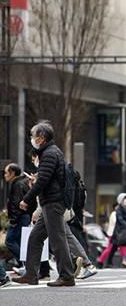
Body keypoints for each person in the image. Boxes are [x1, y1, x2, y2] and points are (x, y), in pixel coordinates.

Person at [14, 120, 75, 287]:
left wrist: (26, 199)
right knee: (35, 238)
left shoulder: (49, 153)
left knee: (57, 239)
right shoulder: (50, 152)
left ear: (41, 138)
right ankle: (31, 274)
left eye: (33, 136)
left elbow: (43, 181)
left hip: (53, 201)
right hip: (51, 201)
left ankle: (67, 276)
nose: (31, 139)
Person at [4, 163, 35, 268]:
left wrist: (13, 220)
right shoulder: (21, 183)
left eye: (6, 173)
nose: (5, 175)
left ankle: (25, 263)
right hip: (23, 216)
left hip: (20, 217)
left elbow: (17, 203)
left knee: (10, 241)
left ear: (12, 173)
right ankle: (24, 264)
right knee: (18, 241)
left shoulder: (18, 184)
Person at [105, 193, 126, 267]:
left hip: (122, 231)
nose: (125, 200)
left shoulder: (125, 208)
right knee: (114, 247)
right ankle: (110, 262)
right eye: (124, 199)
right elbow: (120, 219)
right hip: (119, 231)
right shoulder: (119, 209)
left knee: (114, 247)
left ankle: (109, 262)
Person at [98, 202, 119, 268]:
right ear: (115, 207)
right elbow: (116, 222)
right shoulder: (114, 214)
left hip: (117, 234)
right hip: (112, 234)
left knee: (121, 248)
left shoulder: (118, 213)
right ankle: (100, 261)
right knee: (109, 249)